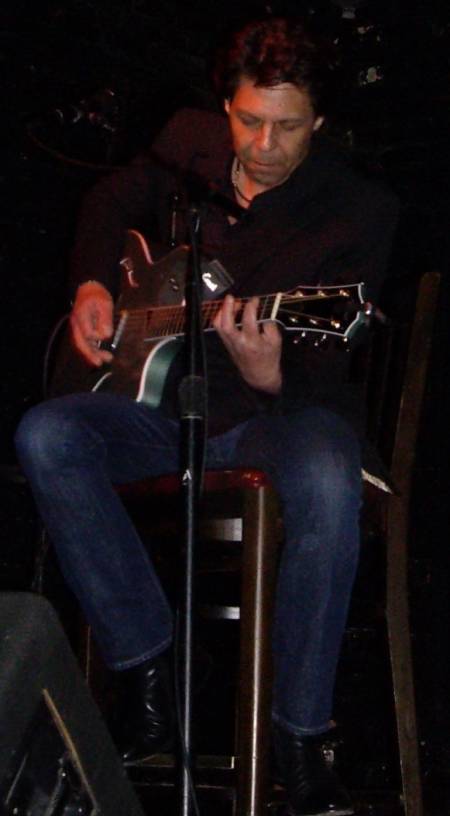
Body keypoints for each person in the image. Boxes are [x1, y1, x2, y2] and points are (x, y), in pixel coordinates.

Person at [15, 16, 398, 816]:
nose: (263, 145)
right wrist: (91, 284)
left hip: (282, 417)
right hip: (163, 413)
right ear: (225, 107)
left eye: (288, 127)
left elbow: (334, 361)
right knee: (47, 434)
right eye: (249, 120)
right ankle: (153, 669)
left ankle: (300, 739)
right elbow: (108, 196)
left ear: (319, 123)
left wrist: (272, 373)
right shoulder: (186, 146)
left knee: (327, 476)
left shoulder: (356, 213)